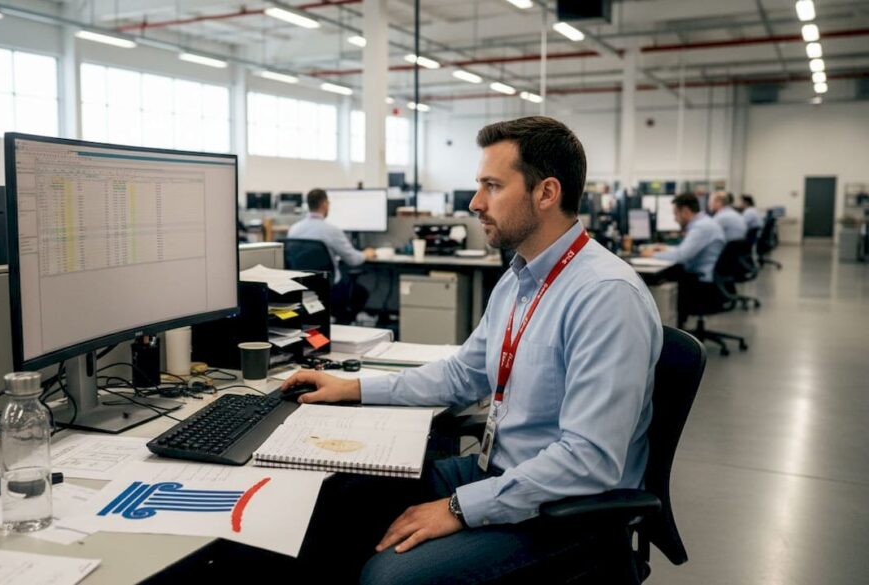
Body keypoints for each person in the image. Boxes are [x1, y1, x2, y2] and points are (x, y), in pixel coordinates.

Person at [283, 116, 663, 584]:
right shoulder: (520, 277)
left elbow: (588, 460)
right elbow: (462, 374)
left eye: (492, 186)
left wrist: (458, 508)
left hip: (566, 507)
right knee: (338, 501)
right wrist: (354, 388)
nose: (475, 202)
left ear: (546, 193)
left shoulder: (606, 296)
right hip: (496, 471)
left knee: (391, 578)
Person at [288, 188, 376, 322]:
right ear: (324, 204)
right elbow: (353, 260)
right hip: (329, 288)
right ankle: (344, 324)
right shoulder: (332, 231)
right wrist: (366, 253)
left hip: (302, 287)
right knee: (360, 293)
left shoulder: (294, 229)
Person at [642, 193, 725, 282]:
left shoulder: (701, 227)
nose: (675, 219)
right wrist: (666, 248)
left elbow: (681, 256)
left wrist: (652, 255)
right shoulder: (704, 222)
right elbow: (684, 250)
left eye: (676, 214)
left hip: (701, 282)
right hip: (703, 277)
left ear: (685, 212)